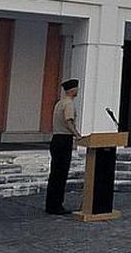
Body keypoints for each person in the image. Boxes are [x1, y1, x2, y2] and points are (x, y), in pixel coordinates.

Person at [45, 78, 81, 215]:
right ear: (72, 90)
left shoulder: (59, 103)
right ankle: (56, 206)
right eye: (76, 88)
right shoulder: (69, 104)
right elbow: (68, 121)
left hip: (56, 139)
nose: (77, 90)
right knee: (61, 174)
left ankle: (51, 204)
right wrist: (77, 135)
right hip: (64, 140)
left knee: (55, 174)